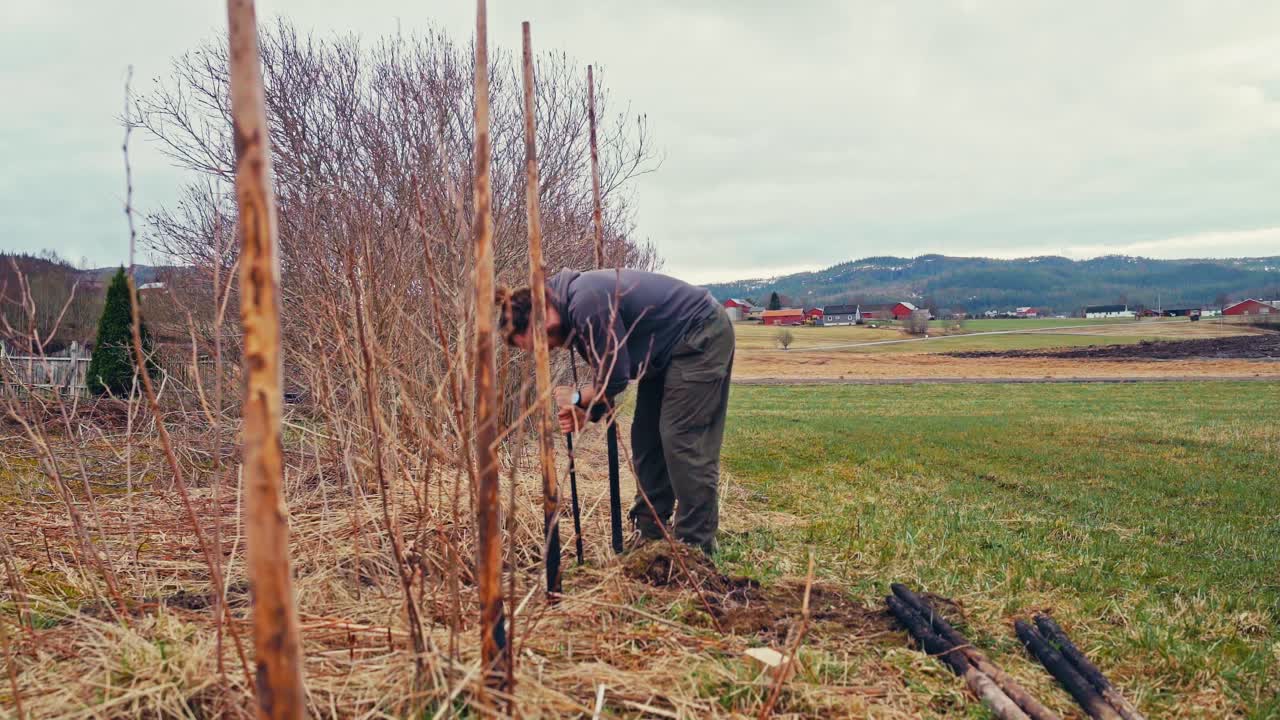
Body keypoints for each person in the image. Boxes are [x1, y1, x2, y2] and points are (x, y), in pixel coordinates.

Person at [497, 268, 734, 555]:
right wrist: (587, 410)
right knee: (646, 439)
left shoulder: (586, 302)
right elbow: (607, 375)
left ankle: (695, 547)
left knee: (682, 440)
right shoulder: (571, 313)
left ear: (541, 318)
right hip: (663, 354)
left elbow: (614, 378)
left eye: (539, 343)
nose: (545, 350)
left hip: (699, 332)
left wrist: (577, 397)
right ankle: (649, 535)